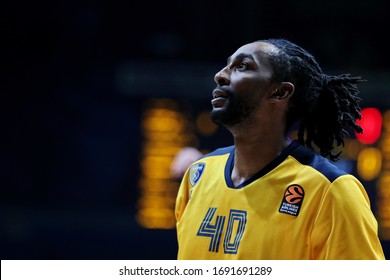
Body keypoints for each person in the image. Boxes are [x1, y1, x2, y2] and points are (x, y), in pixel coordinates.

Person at [174, 38, 385, 260]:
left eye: (242, 66)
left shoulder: (330, 190)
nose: (220, 75)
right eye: (227, 65)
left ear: (280, 92)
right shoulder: (197, 175)